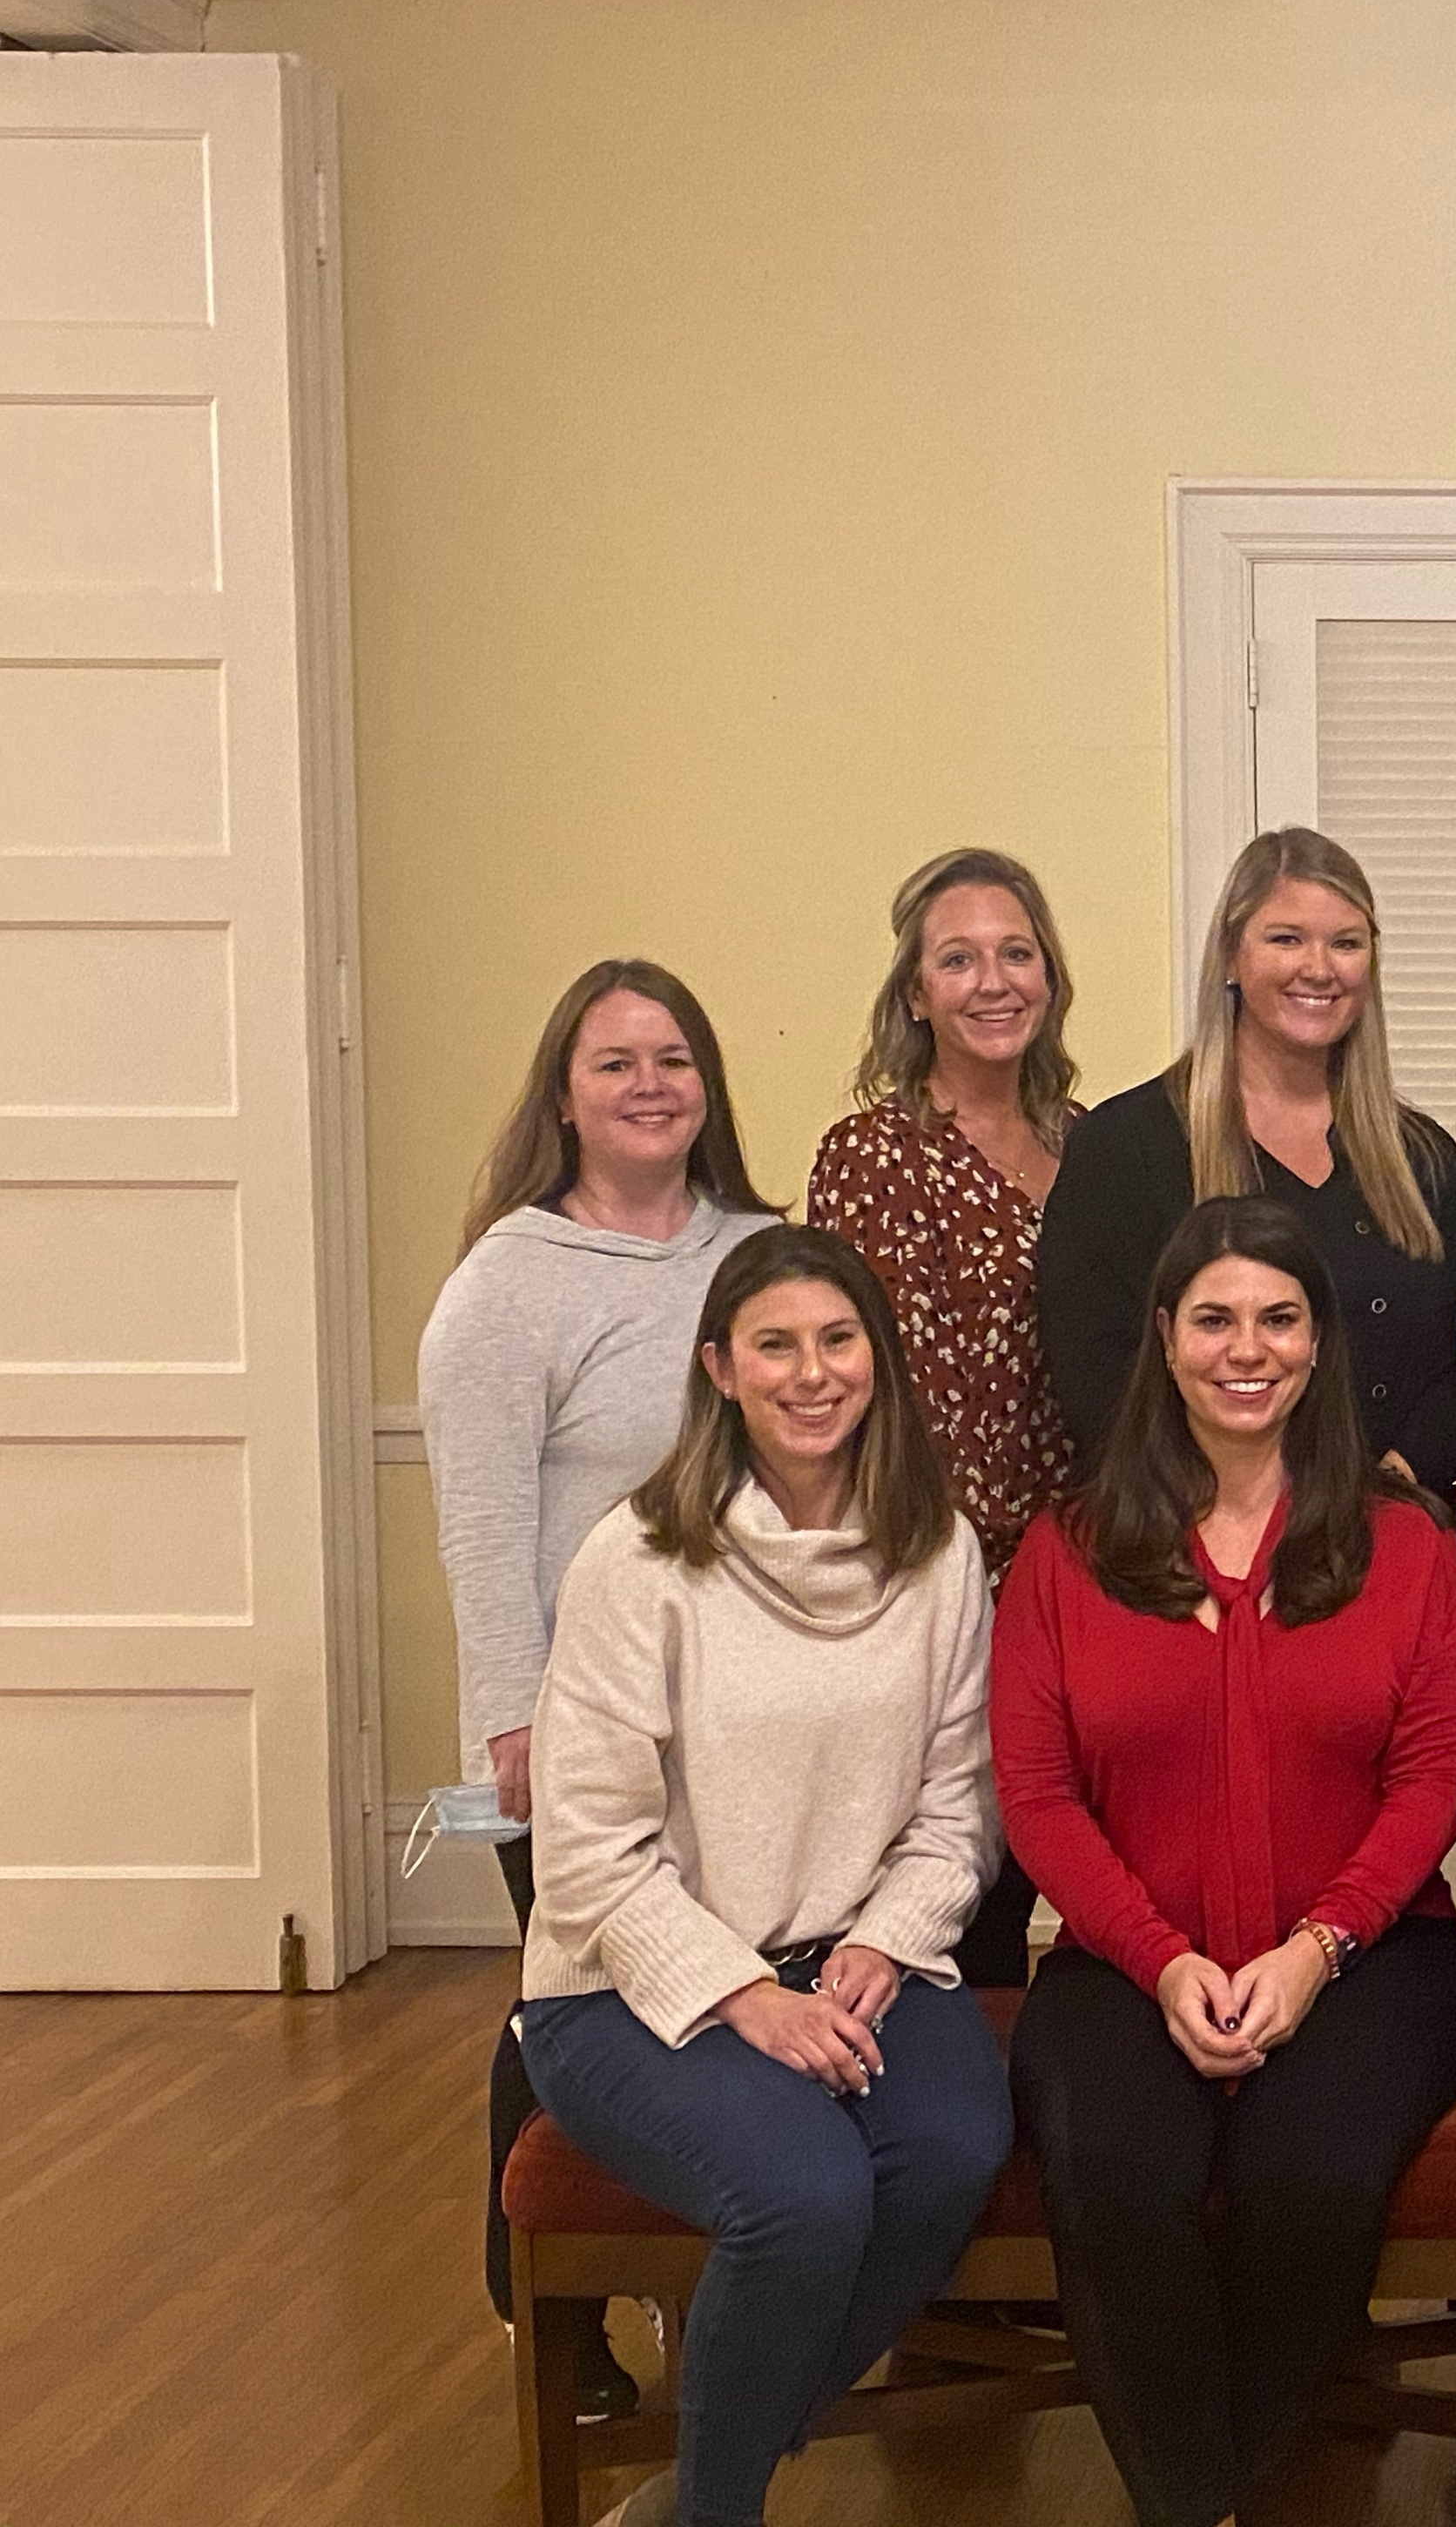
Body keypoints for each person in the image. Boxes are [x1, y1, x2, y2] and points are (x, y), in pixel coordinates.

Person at [994, 1195, 1456, 2527]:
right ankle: (1199, 2503)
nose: (1246, 1348)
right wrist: (1161, 1962)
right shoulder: (1065, 1552)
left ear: (1319, 1345)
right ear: (1165, 1337)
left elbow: (1434, 1777)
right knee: (1113, 2174)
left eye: (1279, 1318)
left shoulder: (1407, 1546)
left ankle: (1215, 2488)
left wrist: (1317, 1950)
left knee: (1306, 2177)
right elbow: (1037, 1796)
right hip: (1123, 1959)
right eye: (1214, 1319)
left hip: (1371, 1956)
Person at [514, 1225, 1007, 2527]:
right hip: (630, 1987)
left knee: (953, 2153)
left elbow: (959, 1806)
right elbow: (587, 1851)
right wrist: (744, 1995)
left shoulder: (937, 1551)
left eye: (839, 1340)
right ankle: (719, 2512)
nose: (812, 1373)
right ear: (720, 1370)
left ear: (878, 1359)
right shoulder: (640, 1558)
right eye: (775, 1346)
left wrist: (886, 1939)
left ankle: (702, 2480)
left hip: (854, 1963)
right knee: (804, 2198)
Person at [418, 957, 779, 2408]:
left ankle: (708, 2286)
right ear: (563, 1096)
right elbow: (481, 1521)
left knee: (714, 2011)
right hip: (580, 1726)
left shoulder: (762, 1251)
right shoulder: (508, 1281)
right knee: (577, 2009)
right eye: (616, 1061)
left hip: (749, 1719)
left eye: (674, 1058)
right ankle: (547, 2306)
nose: (650, 1084)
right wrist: (512, 1719)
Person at [806, 845, 1084, 1986]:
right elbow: (852, 1391)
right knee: (953, 1898)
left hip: (1083, 1574)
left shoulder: (1097, 1145)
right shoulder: (870, 1158)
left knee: (1078, 1870)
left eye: (1016, 953)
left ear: (1049, 977)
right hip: (927, 1580)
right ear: (916, 994)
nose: (993, 981)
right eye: (959, 960)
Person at [1038, 827, 1456, 1511]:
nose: (1319, 968)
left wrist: (1389, 1488)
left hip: (1394, 1531)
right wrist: (1236, 1514)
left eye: (1345, 943)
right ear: (1230, 956)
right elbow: (1096, 1379)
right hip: (1192, 1532)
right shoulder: (1123, 1148)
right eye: (1286, 939)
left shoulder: (1423, 1157)